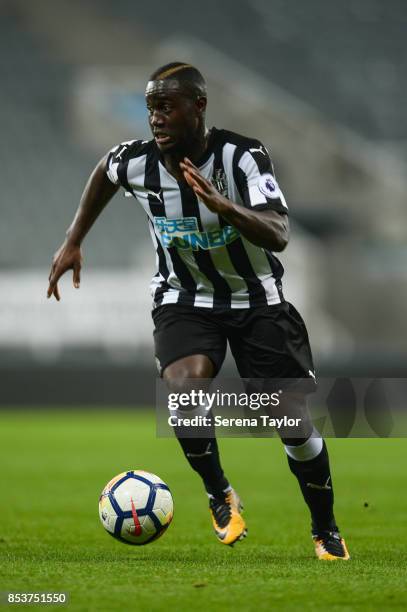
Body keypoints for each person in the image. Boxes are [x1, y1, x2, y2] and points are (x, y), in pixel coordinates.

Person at [47, 62, 349, 560]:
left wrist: (224, 206)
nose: (156, 118)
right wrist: (73, 239)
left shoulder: (243, 156)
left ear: (199, 106)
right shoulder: (136, 161)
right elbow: (105, 170)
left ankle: (325, 527)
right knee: (183, 389)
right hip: (184, 299)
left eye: (166, 106)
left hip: (257, 301)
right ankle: (219, 494)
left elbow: (279, 233)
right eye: (150, 108)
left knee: (289, 419)